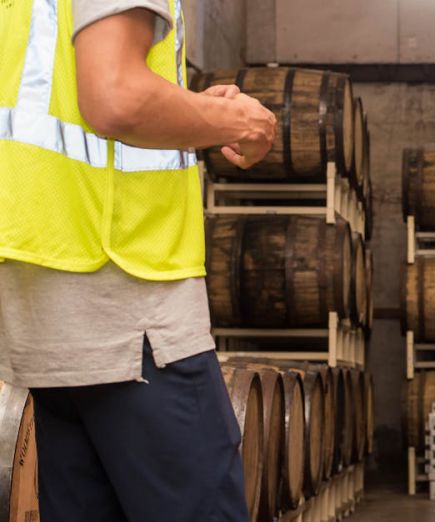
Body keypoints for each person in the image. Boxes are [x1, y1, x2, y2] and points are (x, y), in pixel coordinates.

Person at [0, 1, 276, 521]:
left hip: (43, 278)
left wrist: (186, 110)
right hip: (123, 289)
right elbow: (116, 99)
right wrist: (237, 118)